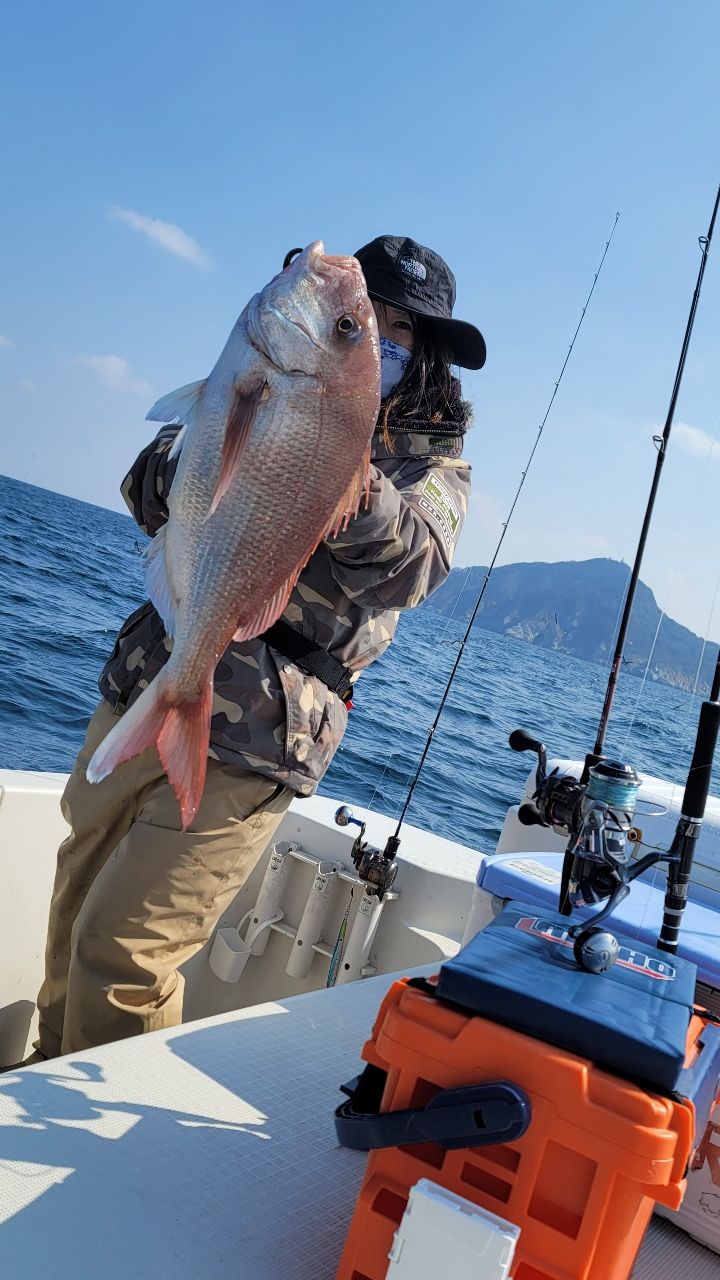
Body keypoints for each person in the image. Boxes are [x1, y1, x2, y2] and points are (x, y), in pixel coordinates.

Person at [27, 234, 486, 1061]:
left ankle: (105, 1165)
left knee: (126, 955)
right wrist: (219, 441)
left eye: (401, 330)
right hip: (150, 672)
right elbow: (143, 490)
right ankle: (33, 1082)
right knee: (75, 902)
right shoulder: (259, 376)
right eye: (366, 318)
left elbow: (416, 566)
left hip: (261, 731)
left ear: (428, 357)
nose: (381, 337)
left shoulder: (434, 465)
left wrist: (342, 458)